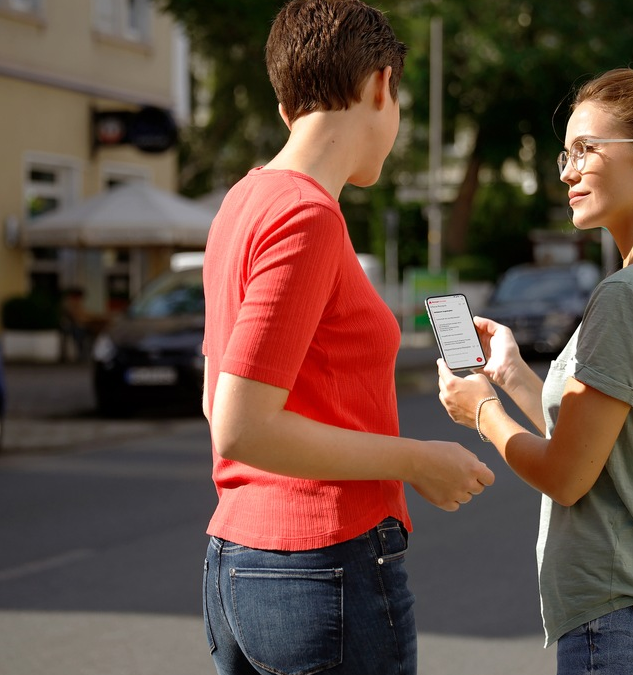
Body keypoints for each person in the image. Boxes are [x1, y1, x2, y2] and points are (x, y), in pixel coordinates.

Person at [199, 2, 495, 674]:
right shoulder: (307, 215)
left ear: (285, 107)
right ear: (380, 85)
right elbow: (240, 427)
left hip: (238, 561)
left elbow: (219, 402)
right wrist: (416, 459)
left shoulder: (242, 202)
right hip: (321, 566)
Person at [437, 51, 633, 675]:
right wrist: (512, 375)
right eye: (566, 154)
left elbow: (568, 477)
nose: (567, 172)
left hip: (625, 618)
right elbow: (606, 455)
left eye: (586, 149)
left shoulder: (630, 294)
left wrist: (481, 409)